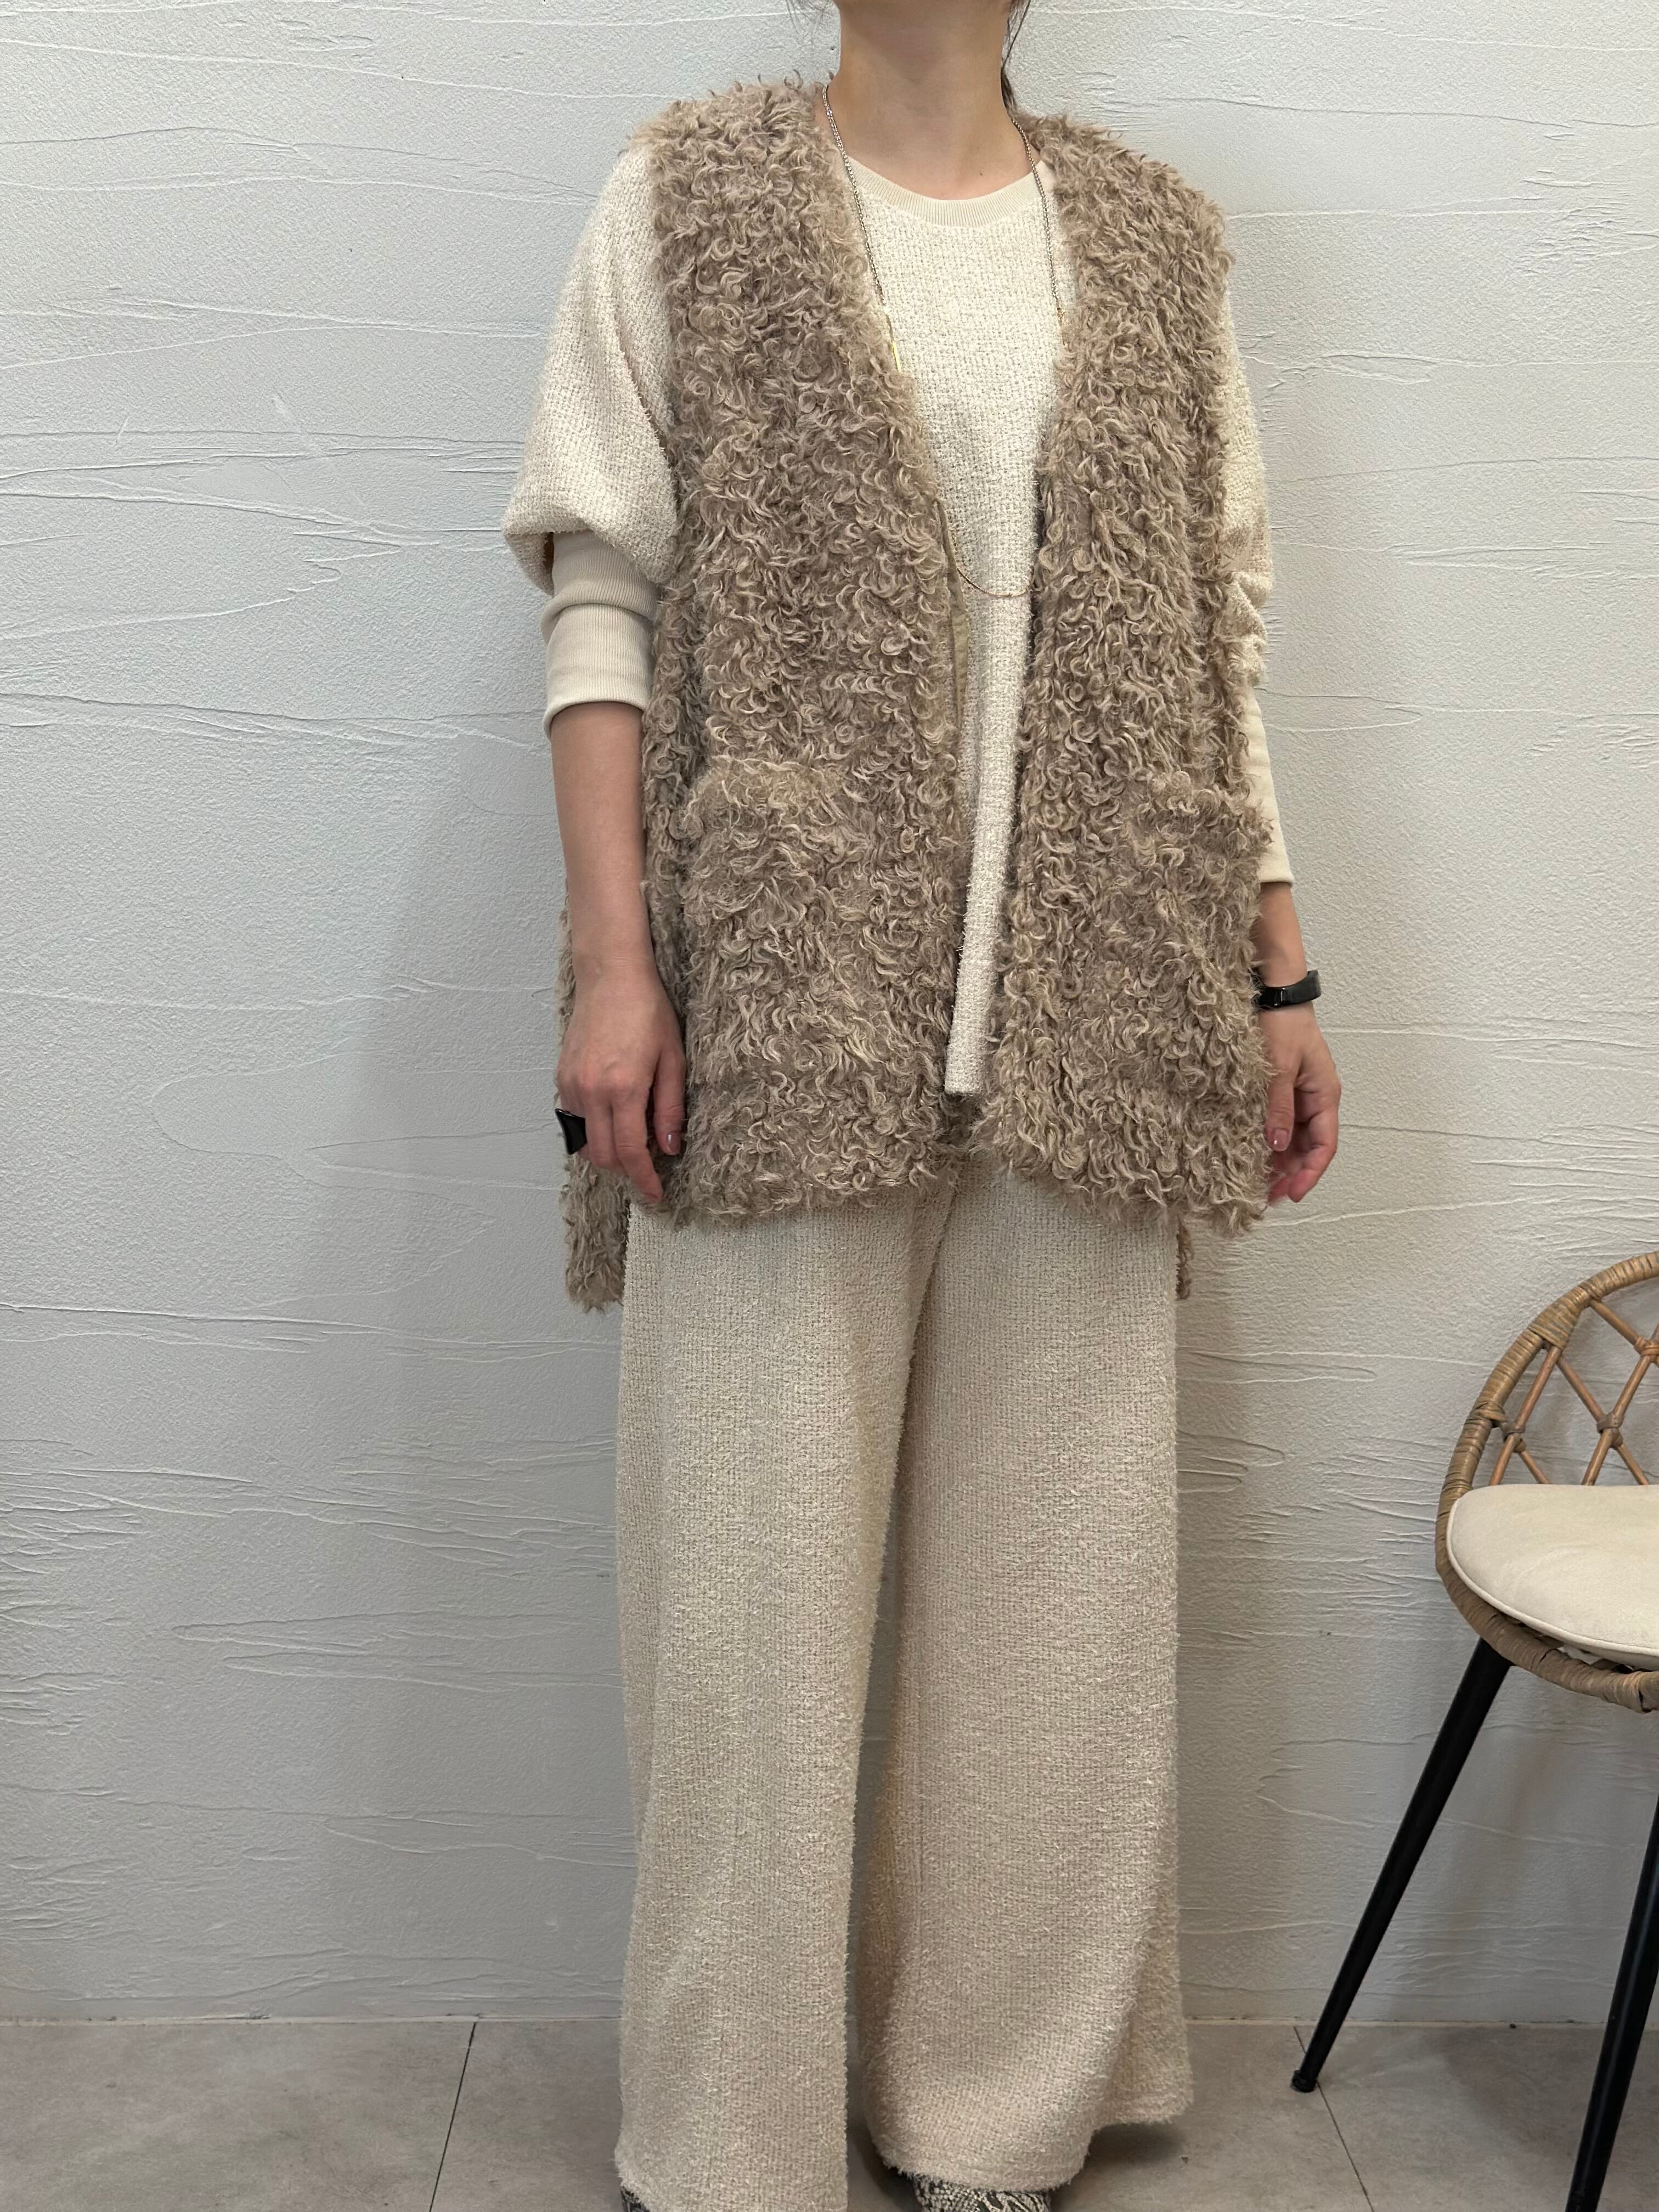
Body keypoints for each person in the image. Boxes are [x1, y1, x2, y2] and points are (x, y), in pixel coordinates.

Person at [500, 7, 1341, 2210]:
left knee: (1054, 1626)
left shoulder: (1152, 243)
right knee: (747, 1636)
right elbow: (600, 593)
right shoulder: (690, 196)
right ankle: (733, 2147)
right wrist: (613, 963)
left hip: (1107, 1006)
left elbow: (1220, 642)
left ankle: (993, 2121)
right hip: (778, 1013)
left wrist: (1279, 967)